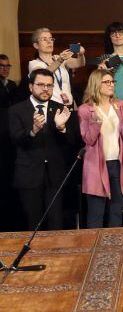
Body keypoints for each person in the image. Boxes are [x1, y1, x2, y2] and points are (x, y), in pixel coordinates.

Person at [8, 69, 78, 230]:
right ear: (31, 87)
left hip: (55, 174)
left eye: (49, 85)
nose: (46, 89)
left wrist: (62, 128)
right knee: (32, 223)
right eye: (41, 85)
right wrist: (32, 131)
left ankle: (56, 255)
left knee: (56, 222)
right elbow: (15, 139)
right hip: (29, 175)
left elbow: (72, 141)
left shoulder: (61, 108)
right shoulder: (17, 110)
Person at [78, 69, 123, 228]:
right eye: (107, 82)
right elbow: (89, 140)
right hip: (96, 165)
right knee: (96, 212)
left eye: (113, 82)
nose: (112, 85)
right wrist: (96, 122)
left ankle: (115, 250)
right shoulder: (85, 109)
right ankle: (95, 250)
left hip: (116, 163)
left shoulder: (120, 105)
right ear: (96, 84)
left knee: (116, 209)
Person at [28, 27, 86, 107]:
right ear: (36, 45)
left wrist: (81, 54)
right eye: (44, 39)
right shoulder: (34, 63)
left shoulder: (58, 57)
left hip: (68, 105)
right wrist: (60, 60)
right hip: (51, 106)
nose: (49, 42)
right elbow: (43, 74)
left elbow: (80, 63)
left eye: (51, 39)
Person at [0, 54, 23, 231]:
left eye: (8, 66)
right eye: (1, 66)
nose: (5, 69)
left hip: (12, 134)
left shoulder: (13, 86)